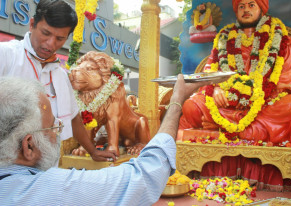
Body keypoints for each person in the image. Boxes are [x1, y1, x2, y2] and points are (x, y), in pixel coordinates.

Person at [0, 75, 209, 205]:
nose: (57, 133)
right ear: (28, 146)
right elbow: (144, 175)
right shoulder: (51, 191)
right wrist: (176, 103)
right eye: (53, 128)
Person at [179, 0, 291, 147]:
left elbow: (286, 74)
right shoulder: (224, 37)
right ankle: (244, 131)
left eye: (251, 5)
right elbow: (209, 70)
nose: (246, 10)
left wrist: (255, 93)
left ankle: (224, 129)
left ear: (261, 8)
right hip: (227, 102)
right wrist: (216, 89)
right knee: (191, 106)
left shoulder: (278, 36)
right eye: (241, 7)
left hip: (263, 102)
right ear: (237, 11)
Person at [0, 0, 115, 162]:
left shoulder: (61, 76)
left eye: (60, 39)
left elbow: (74, 118)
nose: (50, 44)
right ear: (32, 24)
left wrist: (93, 151)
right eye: (45, 33)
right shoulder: (6, 55)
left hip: (47, 165)